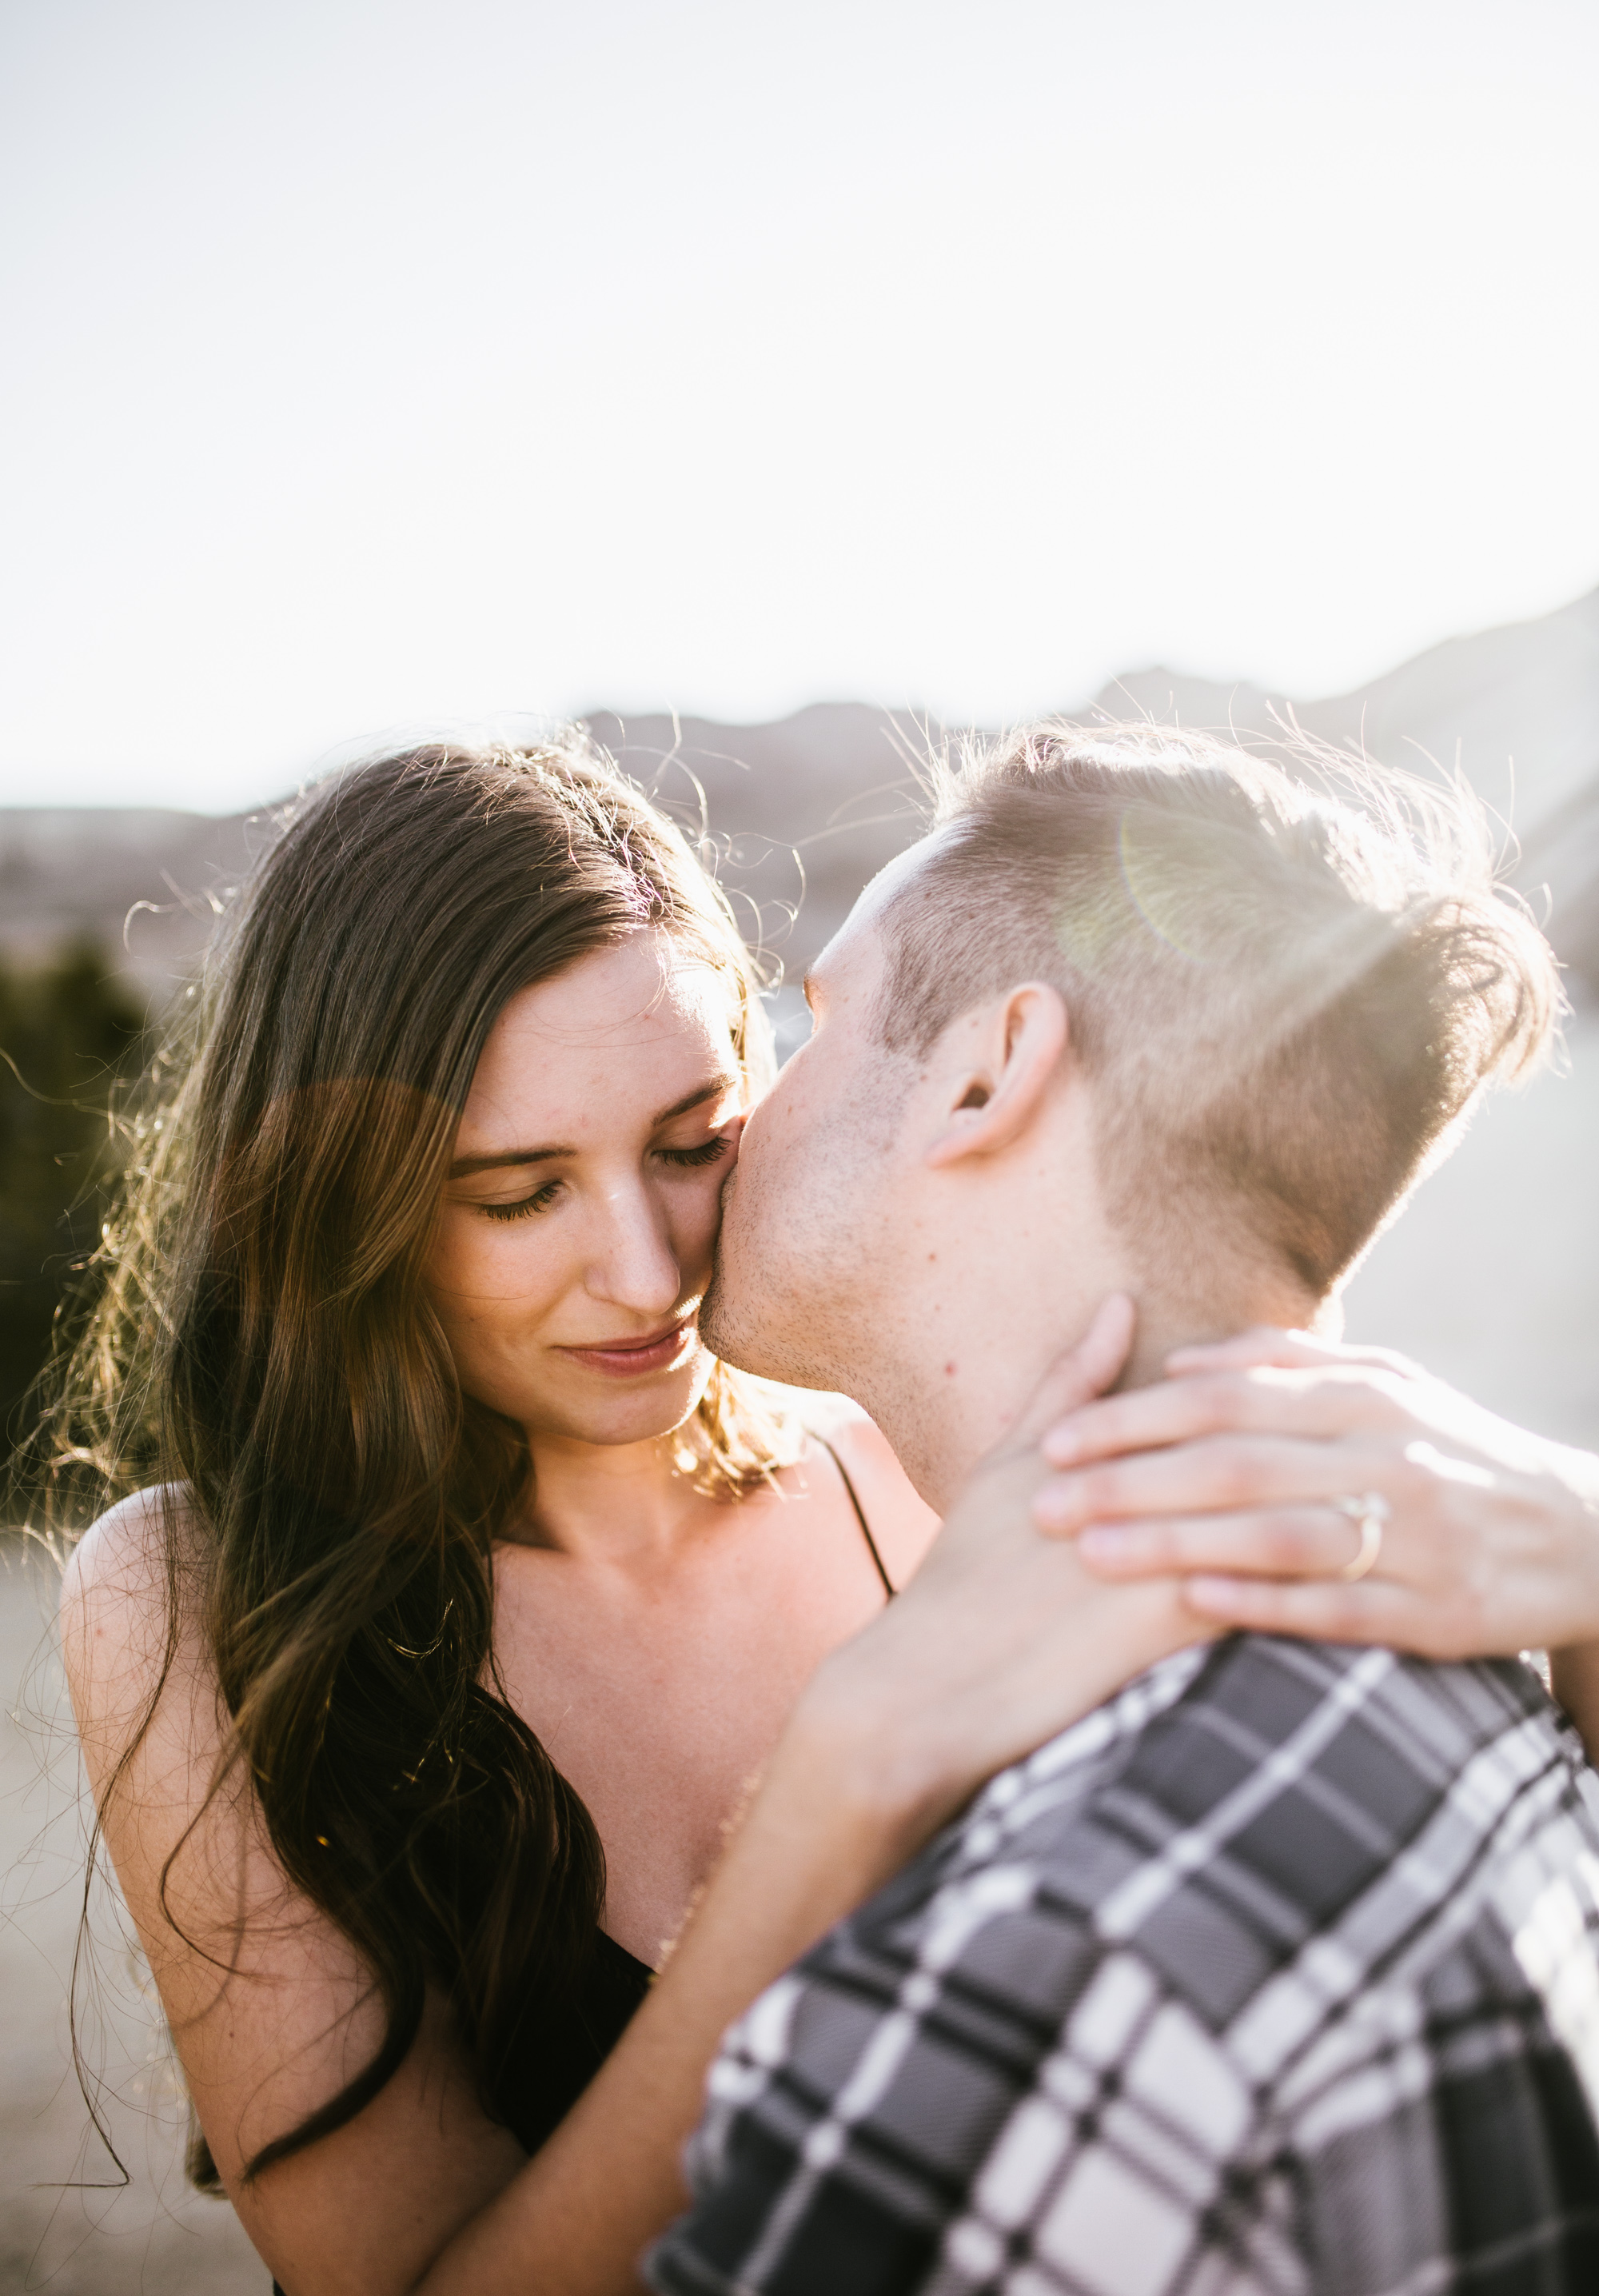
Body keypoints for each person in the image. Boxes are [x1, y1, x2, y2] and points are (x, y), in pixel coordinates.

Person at [50, 737, 1599, 2296]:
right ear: (345, 1201)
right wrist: (839, 1772)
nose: (654, 1276)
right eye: (518, 1194)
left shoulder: (920, 1484)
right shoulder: (190, 1592)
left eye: (693, 1141)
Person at [650, 724, 1599, 2295]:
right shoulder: (1510, 1681)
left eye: (811, 1028)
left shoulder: (1053, 1955)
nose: (752, 1114)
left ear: (984, 1074)